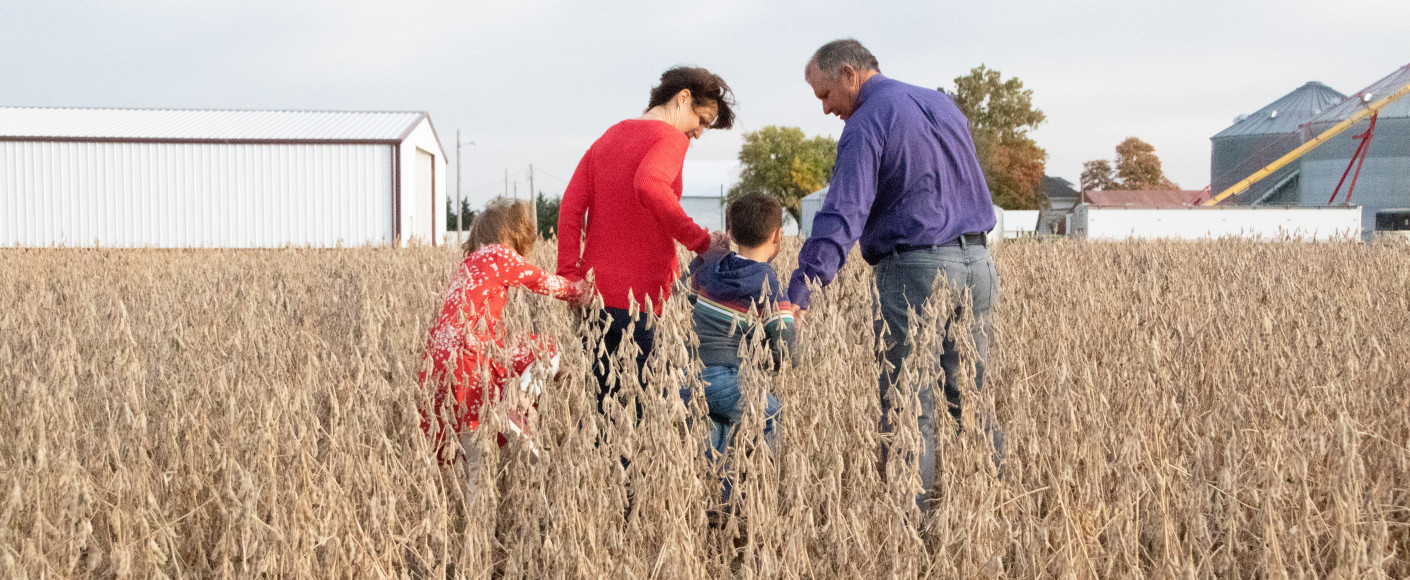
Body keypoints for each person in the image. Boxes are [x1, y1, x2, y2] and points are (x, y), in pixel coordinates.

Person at [789, 39, 1004, 505]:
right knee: (972, 396)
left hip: (917, 269)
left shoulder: (868, 121)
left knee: (910, 405)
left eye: (825, 96)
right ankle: (1001, 514)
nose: (826, 110)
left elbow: (843, 212)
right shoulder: (941, 105)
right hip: (980, 264)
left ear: (850, 74)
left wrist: (802, 287)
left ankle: (908, 534)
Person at [556, 66, 736, 412]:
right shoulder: (670, 139)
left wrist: (570, 275)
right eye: (701, 119)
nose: (698, 133)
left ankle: (602, 467)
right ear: (683, 98)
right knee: (638, 412)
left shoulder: (608, 137)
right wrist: (699, 241)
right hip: (641, 300)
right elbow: (650, 184)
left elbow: (570, 208)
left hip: (593, 298)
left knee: (603, 410)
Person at [418, 198, 589, 465]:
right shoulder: (498, 255)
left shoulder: (464, 267)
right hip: (473, 353)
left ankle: (477, 505)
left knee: (475, 459)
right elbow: (543, 281)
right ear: (508, 235)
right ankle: (517, 405)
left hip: (439, 364)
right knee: (548, 348)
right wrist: (580, 292)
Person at [680, 194, 793, 464]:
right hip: (727, 377)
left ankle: (715, 500)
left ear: (730, 234)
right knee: (771, 415)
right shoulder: (768, 282)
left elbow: (680, 291)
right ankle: (754, 485)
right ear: (777, 236)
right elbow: (786, 345)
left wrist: (704, 257)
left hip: (687, 376)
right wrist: (776, 361)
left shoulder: (712, 267)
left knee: (714, 449)